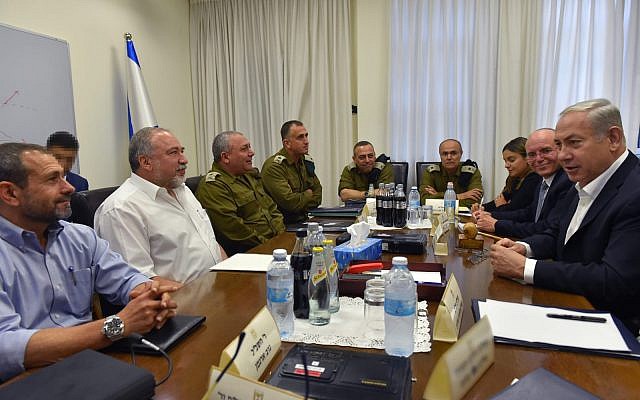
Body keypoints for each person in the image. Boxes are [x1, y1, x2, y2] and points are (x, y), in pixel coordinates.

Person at [0, 143, 177, 381]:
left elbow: (125, 279)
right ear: (10, 193)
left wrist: (151, 294)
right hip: (28, 379)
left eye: (65, 176)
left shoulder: (79, 237)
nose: (70, 187)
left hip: (91, 362)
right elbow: (7, 346)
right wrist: (117, 325)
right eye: (53, 179)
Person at [490, 99, 640, 334]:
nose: (562, 156)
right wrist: (524, 248)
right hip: (566, 305)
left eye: (574, 143)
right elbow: (557, 233)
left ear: (613, 138)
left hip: (606, 326)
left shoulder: (634, 191)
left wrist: (526, 268)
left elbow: (614, 280)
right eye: (559, 145)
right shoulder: (583, 180)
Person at [94, 127, 226, 287]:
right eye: (173, 153)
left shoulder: (182, 189)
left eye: (182, 151)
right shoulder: (122, 209)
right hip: (178, 304)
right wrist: (195, 296)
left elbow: (209, 241)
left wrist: (229, 275)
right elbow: (139, 282)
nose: (184, 159)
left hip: (216, 288)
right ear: (146, 162)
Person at [195, 131, 285, 256]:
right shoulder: (213, 186)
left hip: (275, 246)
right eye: (244, 149)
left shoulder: (247, 175)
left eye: (249, 147)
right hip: (249, 253)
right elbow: (236, 230)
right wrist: (270, 245)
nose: (251, 152)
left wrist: (282, 238)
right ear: (226, 157)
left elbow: (271, 208)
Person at [474, 129, 573, 238]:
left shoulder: (567, 182)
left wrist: (497, 225)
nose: (539, 159)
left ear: (561, 149)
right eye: (532, 154)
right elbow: (529, 213)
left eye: (546, 151)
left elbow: (546, 227)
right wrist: (491, 214)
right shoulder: (542, 180)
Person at [262, 120, 322, 223]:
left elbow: (318, 195)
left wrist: (302, 201)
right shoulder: (274, 167)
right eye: (300, 137)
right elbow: (290, 203)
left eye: (306, 136)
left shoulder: (305, 161)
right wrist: (308, 194)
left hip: (304, 220)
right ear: (287, 143)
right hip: (283, 225)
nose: (306, 141)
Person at [480, 137, 540, 212]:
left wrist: (502, 206)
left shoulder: (534, 179)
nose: (506, 165)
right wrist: (481, 207)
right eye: (505, 161)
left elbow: (514, 210)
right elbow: (498, 201)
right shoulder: (513, 179)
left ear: (527, 158)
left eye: (511, 160)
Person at [419, 138, 483, 208]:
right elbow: (424, 201)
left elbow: (473, 202)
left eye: (453, 153)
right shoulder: (431, 172)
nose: (449, 157)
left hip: (465, 216)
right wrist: (460, 196)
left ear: (461, 154)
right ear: (440, 155)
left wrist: (437, 196)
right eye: (445, 154)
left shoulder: (472, 172)